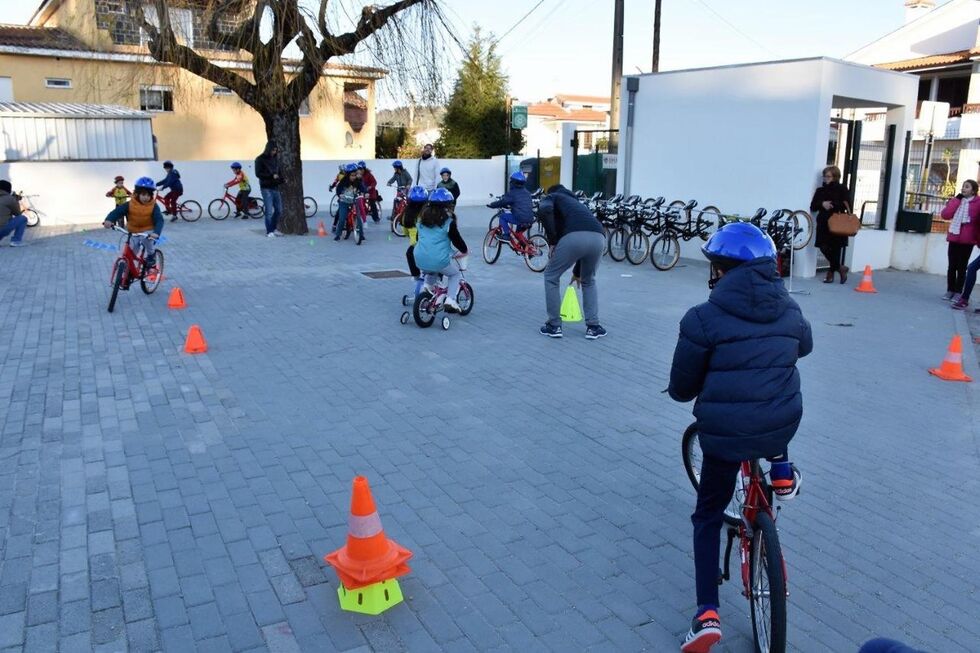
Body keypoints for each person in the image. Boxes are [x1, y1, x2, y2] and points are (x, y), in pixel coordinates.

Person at [668, 222, 811, 653]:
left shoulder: (702, 318)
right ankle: (782, 472)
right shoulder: (789, 309)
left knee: (708, 516)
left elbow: (681, 388)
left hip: (725, 435)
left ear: (722, 270)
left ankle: (706, 614)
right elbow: (803, 348)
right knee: (773, 394)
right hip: (781, 422)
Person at [537, 184, 607, 339]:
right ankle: (593, 327)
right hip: (599, 238)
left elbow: (544, 210)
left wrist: (553, 241)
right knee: (588, 280)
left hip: (574, 237)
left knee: (551, 276)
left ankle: (553, 326)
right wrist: (577, 273)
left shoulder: (553, 197)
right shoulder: (576, 203)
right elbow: (584, 246)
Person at [414, 188, 466, 311]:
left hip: (419, 258)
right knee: (455, 274)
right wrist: (464, 250)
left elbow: (418, 238)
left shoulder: (421, 220)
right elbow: (456, 240)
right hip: (438, 260)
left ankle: (427, 287)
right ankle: (451, 299)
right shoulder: (449, 222)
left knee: (432, 269)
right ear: (447, 206)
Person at [102, 176, 164, 268]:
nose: (146, 197)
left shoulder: (153, 206)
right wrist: (109, 220)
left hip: (148, 231)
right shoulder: (130, 204)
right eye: (143, 194)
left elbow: (159, 219)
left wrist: (156, 233)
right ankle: (128, 271)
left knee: (146, 241)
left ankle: (151, 256)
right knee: (130, 252)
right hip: (133, 231)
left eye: (148, 195)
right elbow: (118, 211)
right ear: (137, 194)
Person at [809, 165, 851, 284]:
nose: (825, 178)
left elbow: (847, 205)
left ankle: (830, 274)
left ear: (835, 177)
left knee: (836, 248)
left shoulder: (842, 189)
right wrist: (822, 204)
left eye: (828, 176)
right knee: (823, 246)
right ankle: (840, 268)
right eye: (824, 176)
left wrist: (832, 204)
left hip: (838, 222)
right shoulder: (820, 190)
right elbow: (813, 206)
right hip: (823, 222)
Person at [940, 179, 980, 301]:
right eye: (963, 186)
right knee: (951, 266)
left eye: (967, 187)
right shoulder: (957, 200)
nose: (963, 189)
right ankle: (950, 290)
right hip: (954, 236)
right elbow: (945, 215)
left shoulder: (978, 203)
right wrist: (956, 200)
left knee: (962, 267)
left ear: (973, 191)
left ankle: (958, 292)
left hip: (967, 240)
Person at [488, 172, 534, 242]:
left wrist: (492, 205)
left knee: (502, 216)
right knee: (518, 234)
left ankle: (506, 235)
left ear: (513, 182)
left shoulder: (512, 193)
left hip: (520, 218)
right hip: (530, 219)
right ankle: (525, 247)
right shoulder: (527, 193)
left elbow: (503, 202)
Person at [255, 141, 284, 238]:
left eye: (276, 150)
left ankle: (273, 228)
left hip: (275, 187)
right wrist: (271, 176)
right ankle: (269, 231)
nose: (274, 152)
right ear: (268, 149)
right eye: (273, 150)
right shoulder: (260, 159)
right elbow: (258, 174)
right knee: (269, 211)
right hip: (266, 188)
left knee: (279, 210)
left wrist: (282, 179)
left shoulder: (275, 159)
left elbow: (278, 172)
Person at [333, 163, 367, 241]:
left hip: (354, 201)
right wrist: (340, 194)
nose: (353, 177)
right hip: (344, 202)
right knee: (342, 218)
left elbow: (362, 187)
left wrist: (366, 192)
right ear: (348, 175)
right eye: (352, 175)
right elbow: (338, 189)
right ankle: (338, 234)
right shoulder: (343, 181)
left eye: (355, 175)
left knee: (358, 217)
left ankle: (361, 235)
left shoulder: (357, 181)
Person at [403, 185, 429, 279]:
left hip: (415, 246)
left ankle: (416, 277)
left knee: (409, 254)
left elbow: (405, 232)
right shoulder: (429, 213)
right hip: (429, 245)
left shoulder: (406, 214)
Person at [0, 180, 28, 247]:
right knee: (23, 218)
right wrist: (15, 201)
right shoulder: (9, 198)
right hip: (2, 229)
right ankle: (16, 241)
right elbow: (18, 214)